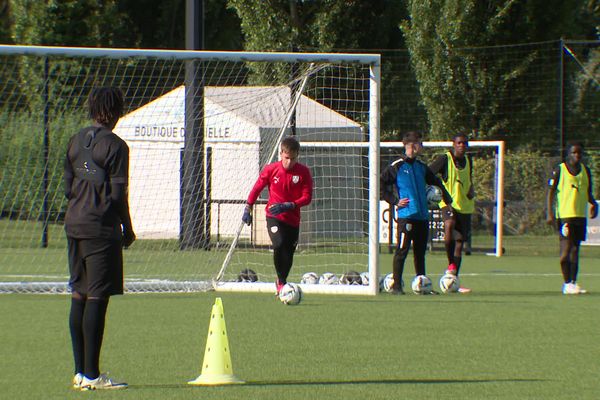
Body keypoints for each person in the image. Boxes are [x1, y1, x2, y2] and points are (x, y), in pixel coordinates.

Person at [64, 87, 135, 390]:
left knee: (79, 294)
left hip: (74, 224)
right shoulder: (117, 146)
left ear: (92, 108)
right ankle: (93, 376)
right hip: (99, 228)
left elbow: (68, 189)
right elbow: (117, 195)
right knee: (97, 296)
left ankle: (81, 372)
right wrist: (127, 228)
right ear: (116, 111)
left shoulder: (74, 141)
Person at [380, 131, 452, 294]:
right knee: (402, 250)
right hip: (407, 217)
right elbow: (381, 184)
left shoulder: (421, 167)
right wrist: (394, 200)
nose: (422, 146)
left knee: (420, 252)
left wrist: (448, 201)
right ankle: (397, 287)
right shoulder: (397, 166)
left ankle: (422, 284)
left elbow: (436, 182)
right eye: (420, 143)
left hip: (422, 216)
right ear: (412, 145)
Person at [242, 136, 313, 295]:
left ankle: (281, 281)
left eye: (293, 159)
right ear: (281, 154)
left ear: (297, 156)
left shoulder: (303, 172)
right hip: (274, 216)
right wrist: (248, 207)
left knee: (288, 254)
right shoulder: (270, 169)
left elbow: (307, 197)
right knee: (279, 244)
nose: (289, 162)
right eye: (287, 158)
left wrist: (291, 205)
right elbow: (256, 188)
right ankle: (281, 284)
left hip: (293, 220)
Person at [546, 141, 598, 295]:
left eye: (579, 153)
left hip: (580, 216)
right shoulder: (560, 170)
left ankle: (572, 283)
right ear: (568, 154)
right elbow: (550, 193)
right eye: (574, 153)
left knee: (575, 250)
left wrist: (594, 203)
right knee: (565, 252)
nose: (577, 155)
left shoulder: (585, 171)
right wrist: (549, 213)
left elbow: (587, 192)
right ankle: (567, 282)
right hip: (565, 216)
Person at [429, 133, 475, 293]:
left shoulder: (469, 160)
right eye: (459, 143)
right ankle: (451, 263)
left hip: (465, 204)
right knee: (449, 225)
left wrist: (471, 189)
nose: (462, 145)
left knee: (460, 241)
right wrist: (436, 190)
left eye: (464, 143)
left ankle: (454, 277)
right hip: (447, 202)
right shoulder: (445, 159)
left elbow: (469, 178)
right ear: (453, 144)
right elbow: (429, 174)